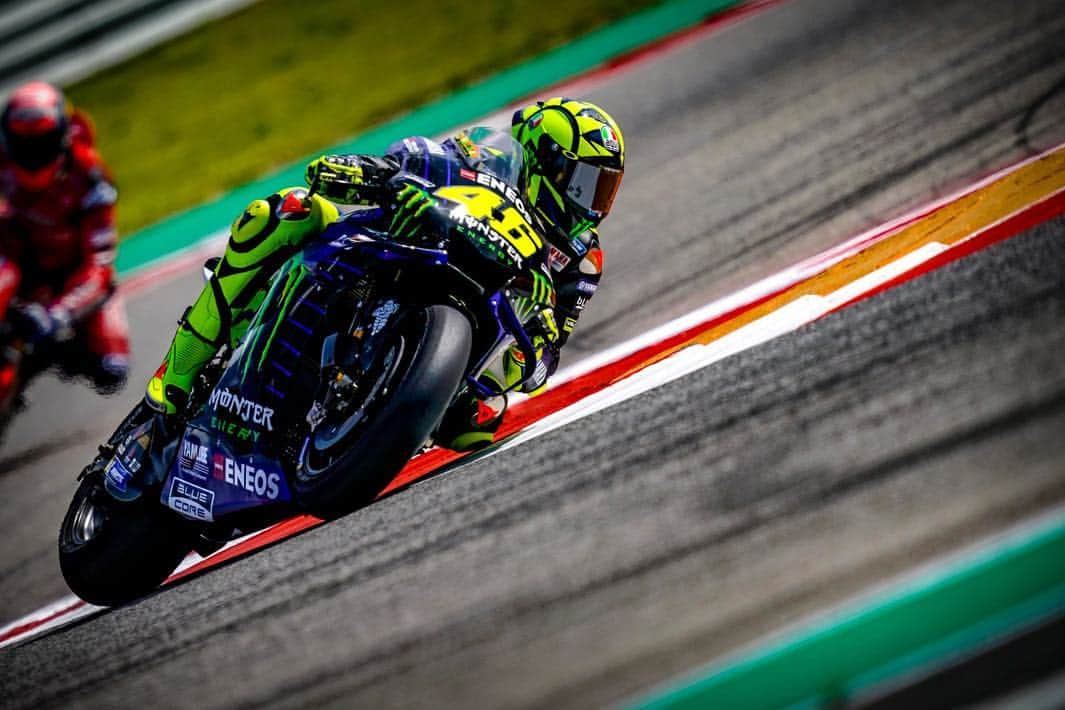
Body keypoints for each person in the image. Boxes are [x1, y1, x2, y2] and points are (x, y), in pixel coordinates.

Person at [145, 97, 624, 450]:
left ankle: (387, 411)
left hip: (466, 353)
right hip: (397, 253)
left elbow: (545, 364)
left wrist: (536, 336)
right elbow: (417, 157)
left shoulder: (580, 262)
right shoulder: (484, 161)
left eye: (605, 190)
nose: (593, 204)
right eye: (587, 183)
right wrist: (376, 175)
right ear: (547, 164)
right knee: (287, 211)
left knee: (476, 426)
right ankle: (178, 376)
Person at [0, 81, 129, 395]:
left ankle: (42, 355)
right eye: (23, 145)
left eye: (40, 145)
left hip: (71, 275)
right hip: (19, 258)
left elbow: (99, 266)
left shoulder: (90, 178)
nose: (31, 157)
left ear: (61, 138)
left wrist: (57, 314)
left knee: (111, 368)